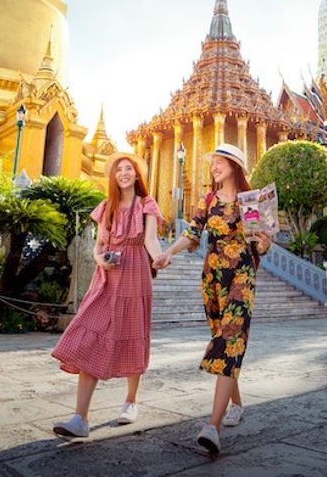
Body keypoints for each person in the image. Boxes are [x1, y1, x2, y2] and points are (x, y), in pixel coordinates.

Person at [156, 143, 274, 455]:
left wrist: (263, 244)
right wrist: (168, 252)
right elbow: (192, 234)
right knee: (223, 338)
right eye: (213, 163)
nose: (215, 167)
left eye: (221, 162)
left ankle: (213, 425)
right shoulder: (207, 200)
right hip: (212, 278)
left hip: (241, 276)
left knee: (231, 338)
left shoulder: (251, 201)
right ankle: (236, 403)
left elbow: (261, 245)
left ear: (235, 166)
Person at [50, 153, 165, 438]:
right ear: (113, 176)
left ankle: (131, 401)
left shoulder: (146, 205)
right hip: (107, 279)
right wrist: (100, 260)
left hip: (136, 274)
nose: (124, 173)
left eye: (129, 169)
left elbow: (150, 240)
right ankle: (80, 418)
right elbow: (98, 245)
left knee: (132, 334)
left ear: (138, 175)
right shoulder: (106, 207)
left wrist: (161, 257)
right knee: (90, 335)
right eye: (119, 170)